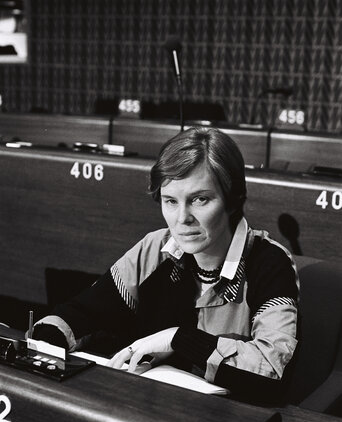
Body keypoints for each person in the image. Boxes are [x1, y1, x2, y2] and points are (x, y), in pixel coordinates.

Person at [32, 127, 299, 405]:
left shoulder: (270, 262)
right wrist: (48, 339)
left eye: (200, 199)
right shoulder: (154, 246)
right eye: (171, 201)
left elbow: (272, 371)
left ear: (232, 201)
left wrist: (178, 339)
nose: (182, 218)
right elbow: (84, 312)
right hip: (158, 410)